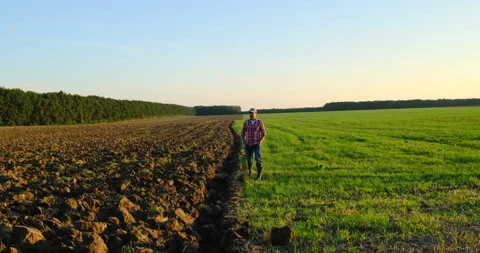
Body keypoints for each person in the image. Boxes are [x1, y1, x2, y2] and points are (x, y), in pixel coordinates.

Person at [241, 108, 267, 180]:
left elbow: (264, 134)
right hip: (248, 144)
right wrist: (244, 141)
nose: (251, 114)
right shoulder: (246, 122)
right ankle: (250, 171)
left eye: (253, 113)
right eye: (250, 113)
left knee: (258, 159)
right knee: (249, 159)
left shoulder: (259, 122)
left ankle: (259, 176)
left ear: (256, 113)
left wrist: (260, 142)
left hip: (256, 145)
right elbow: (242, 133)